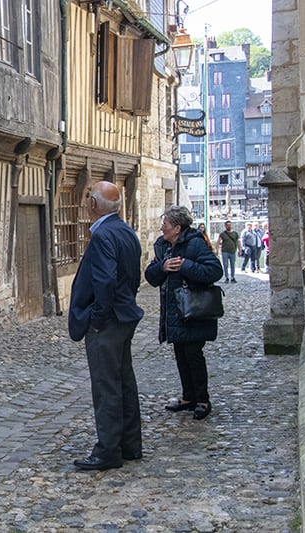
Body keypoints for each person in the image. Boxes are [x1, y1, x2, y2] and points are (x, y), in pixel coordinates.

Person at [68, 181, 144, 470]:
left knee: (106, 385)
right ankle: (129, 444)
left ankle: (108, 450)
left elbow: (105, 281)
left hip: (108, 321)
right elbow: (133, 278)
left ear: (93, 205)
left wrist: (97, 318)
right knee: (124, 381)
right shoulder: (126, 232)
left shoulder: (102, 235)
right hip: (123, 316)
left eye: (89, 197)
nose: (87, 202)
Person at [145, 206, 224, 421]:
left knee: (193, 355)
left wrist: (185, 266)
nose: (162, 228)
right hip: (175, 312)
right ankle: (188, 396)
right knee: (181, 354)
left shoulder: (195, 243)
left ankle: (203, 400)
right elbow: (151, 277)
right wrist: (163, 267)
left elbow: (215, 271)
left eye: (166, 225)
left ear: (177, 228)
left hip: (194, 311)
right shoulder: (162, 246)